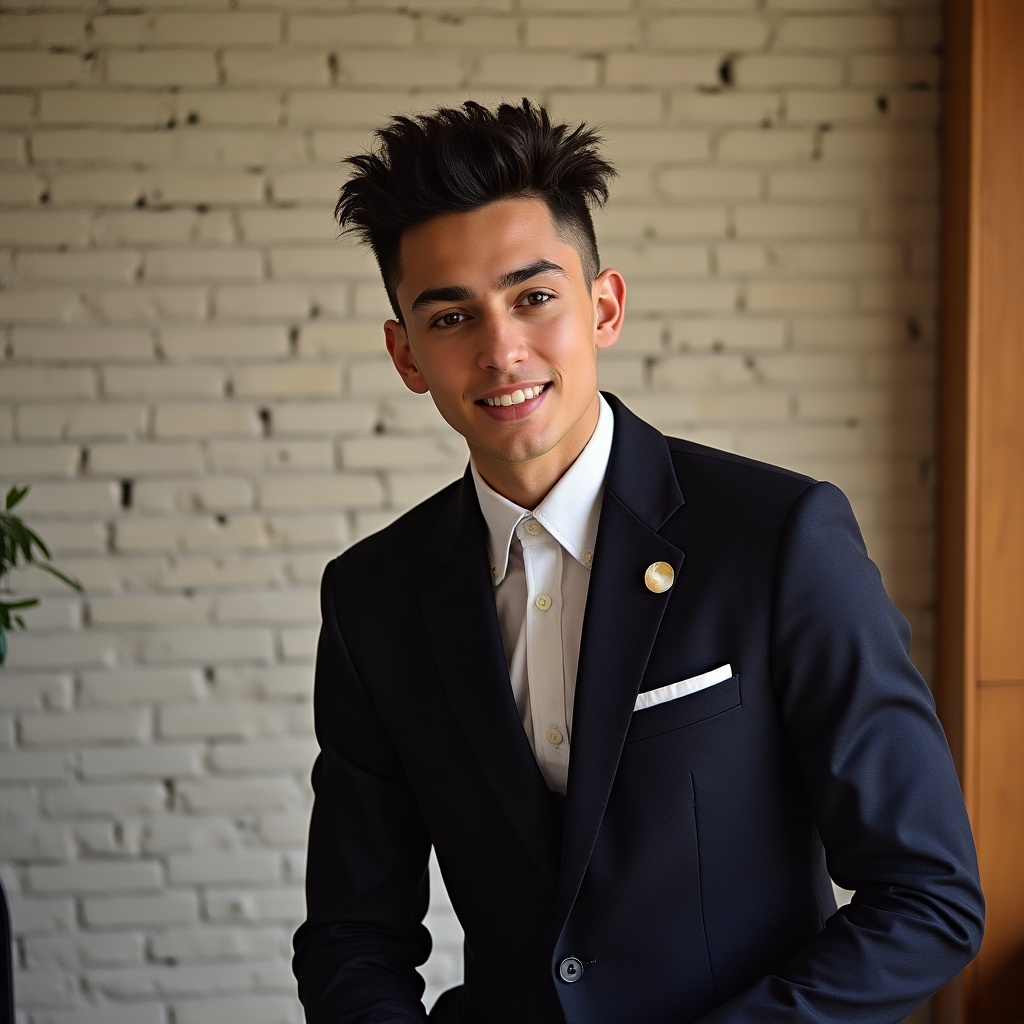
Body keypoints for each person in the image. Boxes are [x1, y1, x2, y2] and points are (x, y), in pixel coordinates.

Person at [292, 99, 983, 1024]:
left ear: (604, 306)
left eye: (534, 297)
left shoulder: (780, 537)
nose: (502, 351)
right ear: (405, 354)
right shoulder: (371, 599)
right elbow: (351, 936)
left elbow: (928, 898)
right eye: (451, 316)